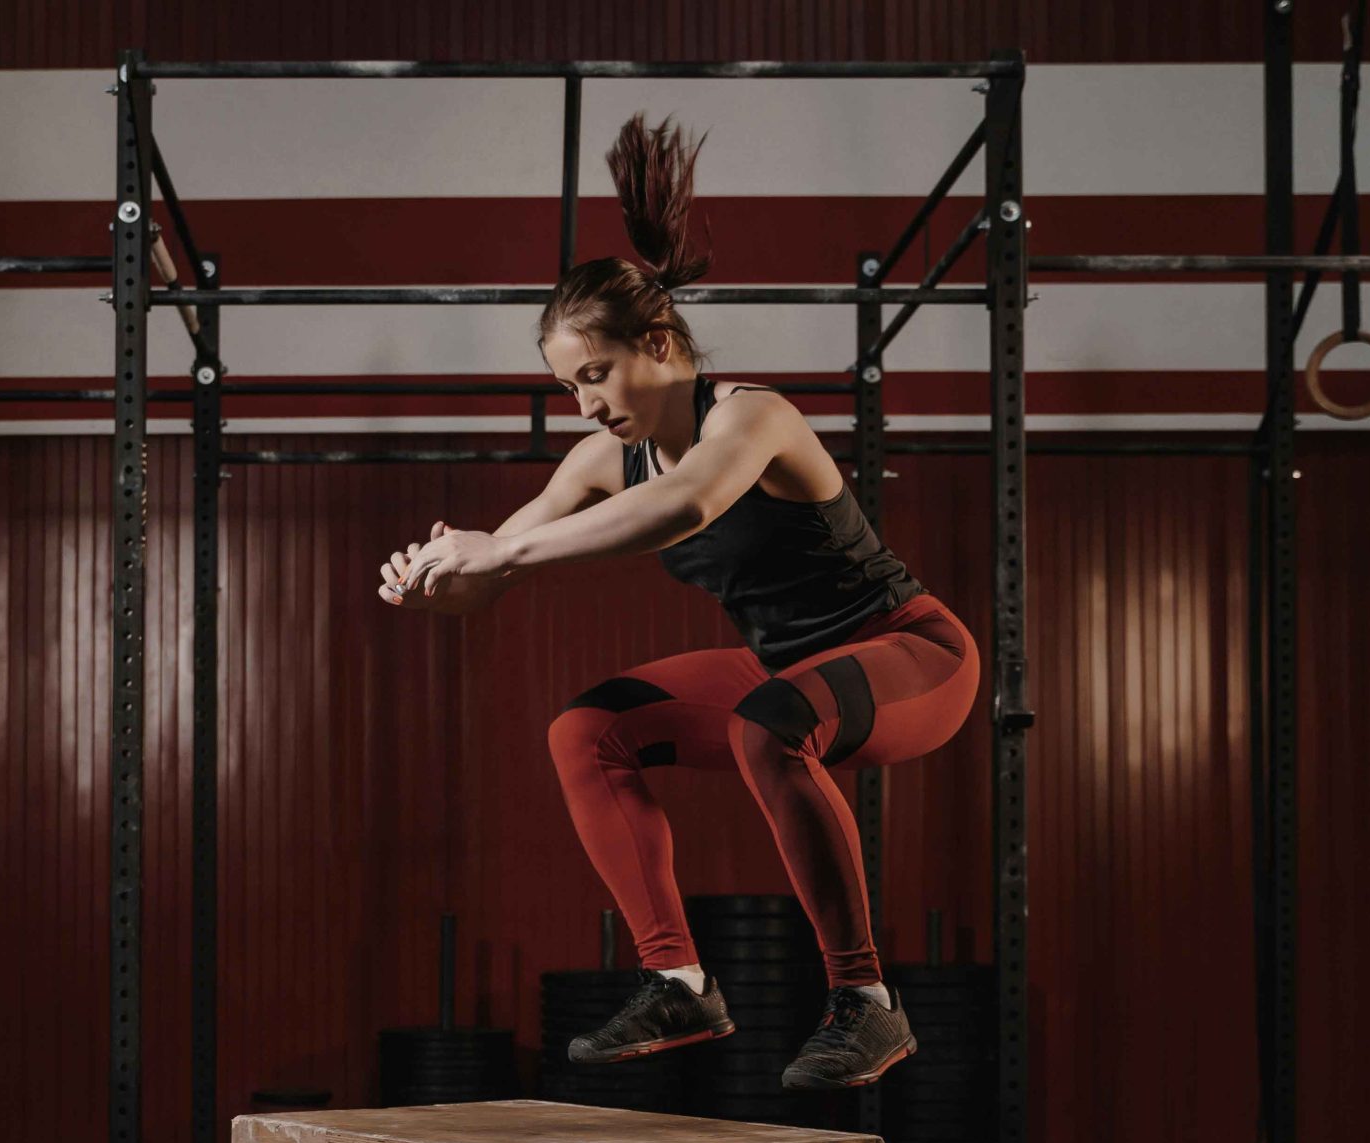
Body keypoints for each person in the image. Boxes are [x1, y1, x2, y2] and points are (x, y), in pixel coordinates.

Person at [379, 113, 978, 1091]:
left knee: (763, 726)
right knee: (585, 731)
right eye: (566, 385)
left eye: (593, 374)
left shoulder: (750, 414)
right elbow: (493, 580)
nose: (583, 403)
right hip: (789, 671)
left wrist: (500, 545)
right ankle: (677, 981)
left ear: (655, 342)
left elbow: (683, 505)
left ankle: (866, 1004)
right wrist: (434, 582)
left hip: (912, 657)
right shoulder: (596, 459)